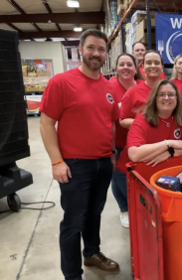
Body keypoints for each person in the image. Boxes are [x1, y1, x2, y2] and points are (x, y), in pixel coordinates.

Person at [39, 29, 119, 280]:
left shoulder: (108, 86)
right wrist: (57, 161)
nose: (96, 53)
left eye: (101, 49)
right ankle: (72, 275)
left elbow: (111, 122)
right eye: (91, 48)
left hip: (103, 162)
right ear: (81, 50)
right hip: (75, 165)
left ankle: (92, 253)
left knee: (94, 213)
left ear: (106, 54)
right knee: (74, 221)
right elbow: (46, 123)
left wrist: (112, 156)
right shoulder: (61, 82)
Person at [116, 80, 182, 173]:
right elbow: (134, 155)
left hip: (160, 171)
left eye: (171, 94)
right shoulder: (142, 119)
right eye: (161, 94)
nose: (166, 98)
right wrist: (168, 143)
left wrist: (171, 152)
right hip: (130, 173)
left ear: (177, 99)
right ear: (154, 98)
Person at [110, 53, 143, 228]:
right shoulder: (109, 87)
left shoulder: (141, 87)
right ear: (116, 68)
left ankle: (134, 206)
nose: (125, 68)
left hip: (138, 143)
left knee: (134, 177)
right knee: (117, 177)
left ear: (135, 68)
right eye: (121, 64)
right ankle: (124, 209)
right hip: (116, 141)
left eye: (129, 64)